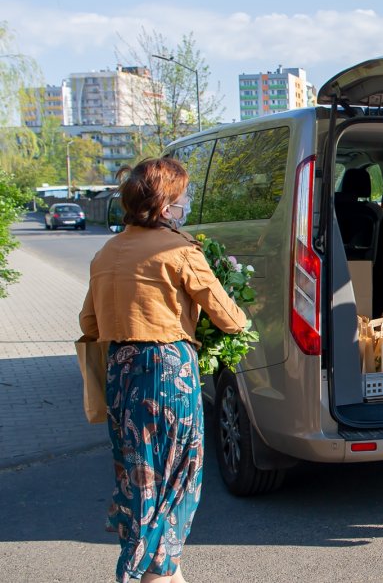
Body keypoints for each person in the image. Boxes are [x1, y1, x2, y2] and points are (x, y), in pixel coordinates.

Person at [79, 157, 248, 583]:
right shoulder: (179, 250)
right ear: (165, 204)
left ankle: (164, 571)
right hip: (167, 371)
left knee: (139, 474)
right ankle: (152, 573)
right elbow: (229, 318)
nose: (186, 203)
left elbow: (89, 324)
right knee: (178, 475)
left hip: (121, 372)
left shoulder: (105, 253)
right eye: (183, 196)